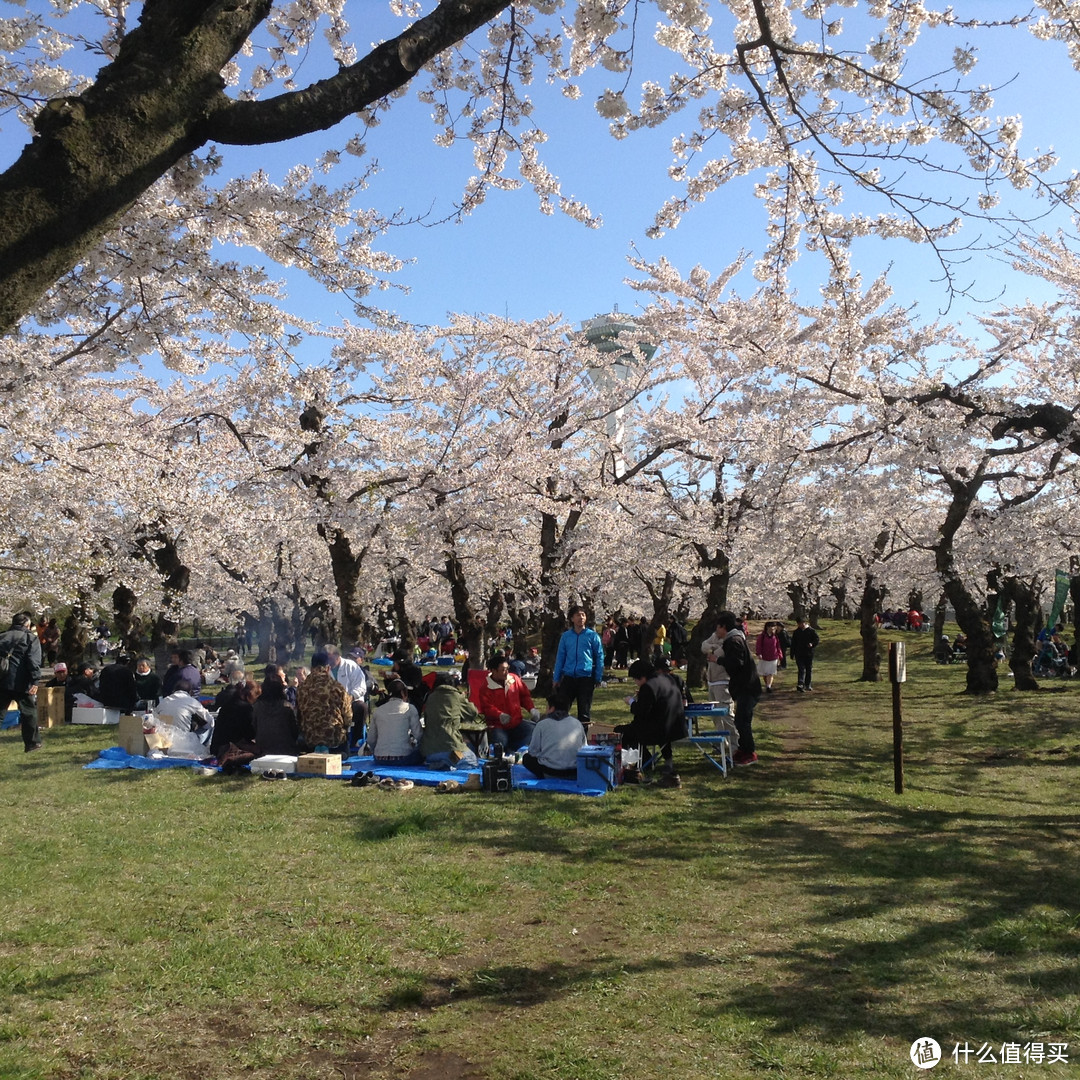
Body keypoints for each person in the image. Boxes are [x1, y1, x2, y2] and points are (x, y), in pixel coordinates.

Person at [615, 658, 687, 785]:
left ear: (642, 677)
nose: (635, 682)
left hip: (658, 729)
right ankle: (666, 761)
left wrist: (631, 702)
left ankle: (637, 764)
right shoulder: (667, 679)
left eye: (635, 679)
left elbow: (641, 711)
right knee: (640, 730)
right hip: (676, 726)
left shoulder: (648, 687)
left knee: (622, 731)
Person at [713, 611, 762, 765]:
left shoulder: (733, 640)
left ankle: (749, 752)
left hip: (747, 686)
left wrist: (718, 660)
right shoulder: (734, 638)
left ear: (723, 627)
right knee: (741, 720)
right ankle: (743, 749)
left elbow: (736, 662)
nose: (716, 631)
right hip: (745, 685)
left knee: (742, 721)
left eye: (717, 627)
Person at [552, 605, 605, 729]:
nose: (581, 617)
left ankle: (583, 740)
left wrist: (597, 677)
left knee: (584, 712)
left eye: (583, 615)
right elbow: (560, 658)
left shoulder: (592, 636)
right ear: (572, 618)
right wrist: (556, 678)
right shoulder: (566, 636)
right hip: (569, 677)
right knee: (561, 710)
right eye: (577, 615)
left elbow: (599, 657)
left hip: (586, 677)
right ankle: (561, 737)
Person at [479, 651, 539, 753]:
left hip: (516, 722)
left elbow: (524, 696)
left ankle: (512, 750)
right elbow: (486, 707)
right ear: (493, 671)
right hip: (497, 725)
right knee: (501, 742)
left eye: (507, 669)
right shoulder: (485, 687)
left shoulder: (514, 679)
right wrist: (499, 715)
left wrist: (531, 709)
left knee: (534, 730)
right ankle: (505, 753)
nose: (506, 672)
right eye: (503, 670)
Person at [420, 672, 481, 768]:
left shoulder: (430, 697)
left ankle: (439, 763)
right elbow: (473, 712)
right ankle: (448, 764)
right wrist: (463, 697)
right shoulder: (456, 696)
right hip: (450, 748)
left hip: (429, 752)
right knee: (473, 760)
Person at [0, 613, 42, 752]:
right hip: (22, 682)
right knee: (28, 712)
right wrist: (35, 680)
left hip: (2, 680)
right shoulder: (30, 638)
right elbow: (33, 661)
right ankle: (32, 744)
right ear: (26, 624)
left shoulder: (2, 636)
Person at [522, 689, 586, 779]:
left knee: (527, 758)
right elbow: (584, 749)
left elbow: (533, 751)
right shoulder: (577, 723)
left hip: (549, 771)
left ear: (552, 708)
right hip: (574, 772)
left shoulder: (542, 724)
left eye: (547, 706)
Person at [295, 650, 352, 752]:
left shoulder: (301, 688)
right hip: (334, 740)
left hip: (310, 740)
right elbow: (347, 716)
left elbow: (299, 717)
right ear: (328, 668)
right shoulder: (337, 687)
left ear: (311, 668)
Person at [367, 678, 423, 765]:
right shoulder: (410, 708)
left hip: (379, 759)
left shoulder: (378, 711)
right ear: (403, 693)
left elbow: (371, 739)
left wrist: (378, 750)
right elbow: (419, 735)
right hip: (403, 758)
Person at [325, 643, 367, 747]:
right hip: (331, 703)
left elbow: (361, 687)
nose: (329, 662)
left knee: (361, 707)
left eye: (331, 659)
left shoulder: (351, 666)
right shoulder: (324, 669)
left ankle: (356, 740)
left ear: (337, 655)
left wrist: (349, 697)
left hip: (352, 701)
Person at [253, 665, 299, 756]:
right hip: (286, 749)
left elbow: (254, 727)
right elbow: (294, 731)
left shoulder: (257, 706)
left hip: (263, 749)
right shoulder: (287, 707)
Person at [156, 678, 215, 743]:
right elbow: (210, 722)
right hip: (184, 741)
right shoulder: (192, 702)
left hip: (164, 740)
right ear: (190, 692)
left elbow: (155, 717)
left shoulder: (164, 701)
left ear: (174, 690)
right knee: (209, 727)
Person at [211, 677, 258, 756]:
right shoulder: (246, 708)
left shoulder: (228, 704)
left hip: (217, 745)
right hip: (228, 747)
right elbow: (250, 734)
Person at [790, 617, 820, 691]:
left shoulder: (811, 631)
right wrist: (792, 653)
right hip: (799, 653)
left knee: (808, 669)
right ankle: (800, 683)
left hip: (808, 653)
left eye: (801, 623)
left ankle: (807, 684)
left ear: (805, 622)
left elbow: (816, 639)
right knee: (801, 669)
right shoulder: (796, 632)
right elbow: (793, 643)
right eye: (799, 624)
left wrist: (812, 644)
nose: (800, 625)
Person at [755, 622, 782, 692]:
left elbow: (778, 646)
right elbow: (758, 645)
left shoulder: (775, 636)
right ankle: (767, 684)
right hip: (764, 657)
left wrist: (780, 655)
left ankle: (768, 686)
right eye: (772, 627)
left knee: (770, 672)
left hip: (773, 656)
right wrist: (759, 653)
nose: (773, 628)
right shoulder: (762, 636)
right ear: (768, 627)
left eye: (774, 627)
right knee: (765, 673)